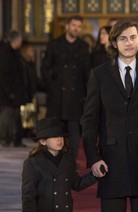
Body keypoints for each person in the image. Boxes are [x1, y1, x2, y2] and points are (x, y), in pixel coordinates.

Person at [82, 19, 138, 212]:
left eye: (133, 38)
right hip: (111, 159)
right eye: (123, 38)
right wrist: (93, 157)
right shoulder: (99, 75)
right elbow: (90, 120)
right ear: (114, 43)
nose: (128, 43)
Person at [41, 15, 91, 160]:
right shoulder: (55, 44)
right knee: (54, 129)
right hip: (57, 94)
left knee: (74, 131)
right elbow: (45, 68)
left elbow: (87, 72)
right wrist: (51, 86)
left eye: (79, 26)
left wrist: (86, 92)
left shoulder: (83, 46)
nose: (76, 28)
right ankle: (52, 160)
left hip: (75, 95)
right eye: (74, 25)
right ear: (67, 26)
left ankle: (70, 162)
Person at [0, 30, 30, 147]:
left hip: (16, 91)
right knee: (7, 116)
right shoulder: (5, 53)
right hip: (8, 92)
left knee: (15, 116)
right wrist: (10, 92)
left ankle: (15, 138)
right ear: (17, 40)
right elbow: (4, 75)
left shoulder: (14, 52)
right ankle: (5, 138)